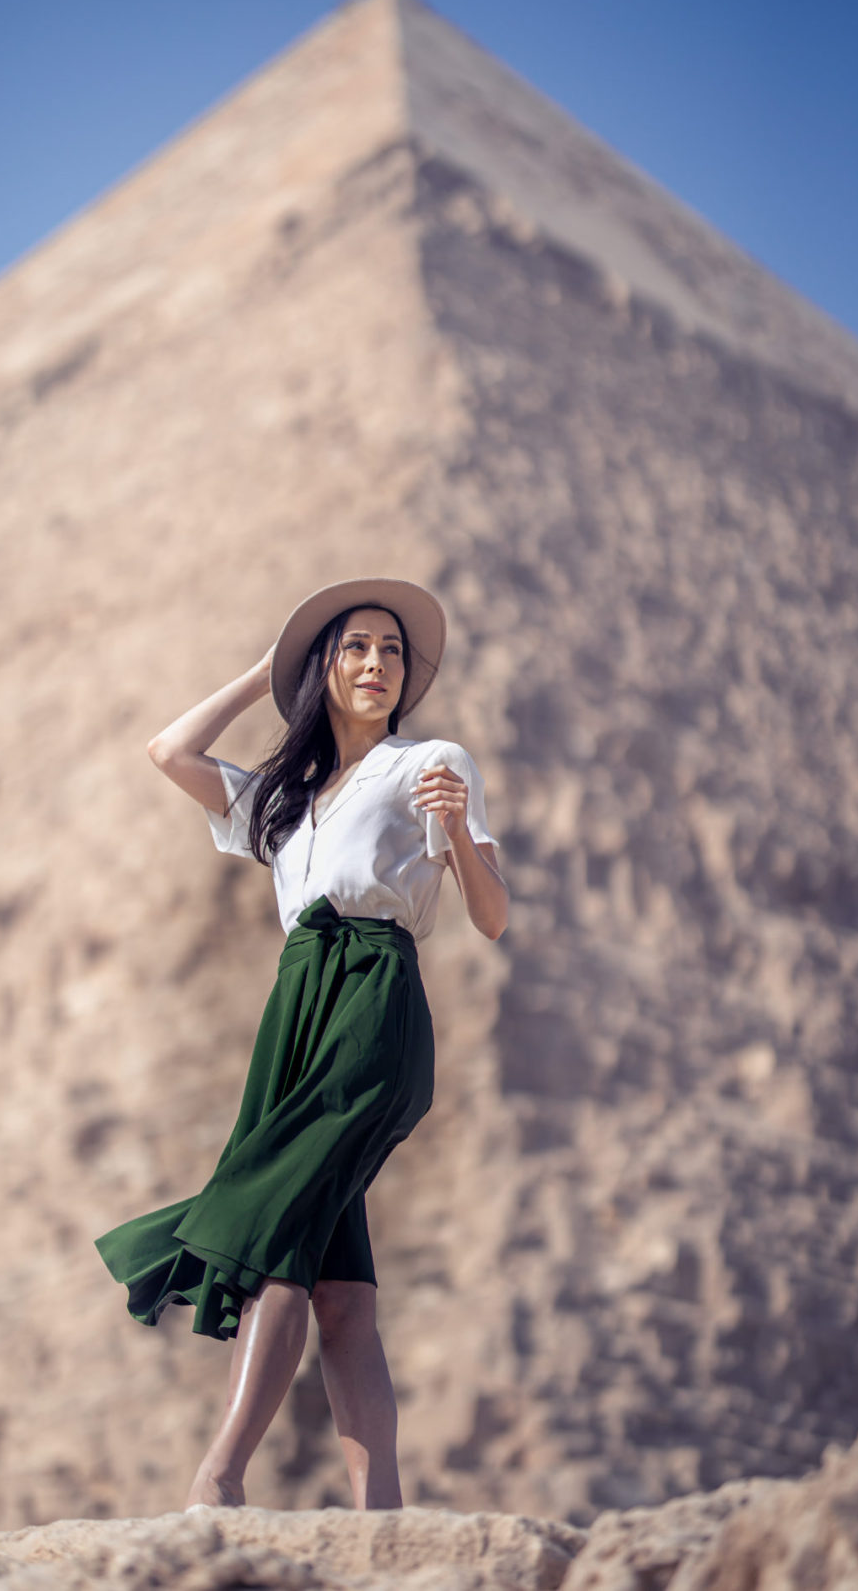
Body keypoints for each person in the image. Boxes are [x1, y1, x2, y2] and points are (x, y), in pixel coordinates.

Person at [94, 577, 508, 1513]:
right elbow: (170, 750)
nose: (377, 666)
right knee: (342, 1296)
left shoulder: (431, 763)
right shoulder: (285, 800)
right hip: (297, 1017)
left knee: (278, 1228)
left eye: (392, 652)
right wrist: (267, 673)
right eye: (355, 648)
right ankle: (383, 1518)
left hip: (373, 1003)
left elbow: (491, 918)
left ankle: (218, 1480)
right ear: (326, 667)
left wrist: (454, 828)